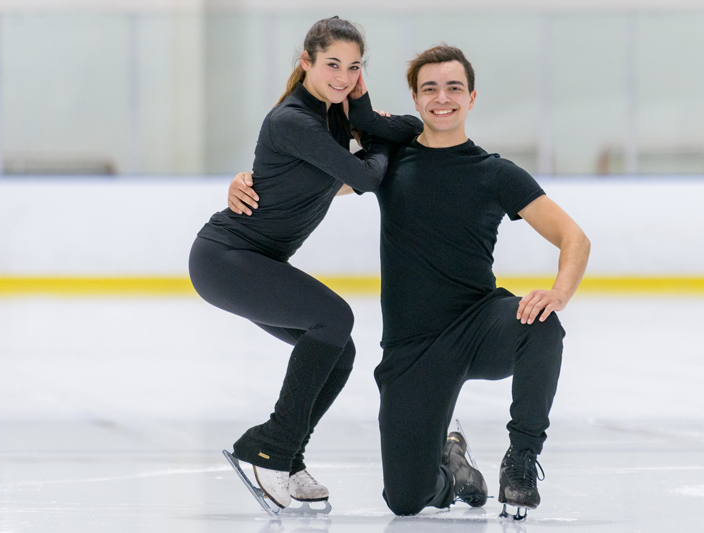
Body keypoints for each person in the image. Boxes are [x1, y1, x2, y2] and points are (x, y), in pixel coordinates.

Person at [228, 45, 590, 517]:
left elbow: (573, 237)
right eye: (430, 89)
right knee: (405, 500)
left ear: (472, 98)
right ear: (416, 101)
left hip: (479, 326)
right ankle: (453, 467)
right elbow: (303, 183)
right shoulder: (389, 161)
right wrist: (245, 181)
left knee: (541, 323)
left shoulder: (496, 173)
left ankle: (521, 459)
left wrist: (559, 292)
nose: (443, 98)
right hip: (411, 351)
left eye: (454, 88)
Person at [188, 17, 417, 511]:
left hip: (254, 261)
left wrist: (367, 117)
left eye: (354, 67)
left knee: (340, 348)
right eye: (332, 64)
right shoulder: (294, 120)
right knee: (334, 318)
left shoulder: (335, 118)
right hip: (226, 258)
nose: (343, 76)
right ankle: (266, 447)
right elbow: (365, 176)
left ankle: (287, 455)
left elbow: (400, 136)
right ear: (306, 63)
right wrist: (375, 142)